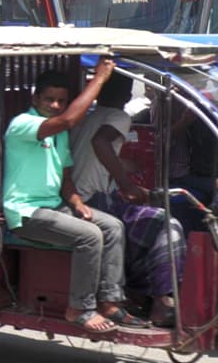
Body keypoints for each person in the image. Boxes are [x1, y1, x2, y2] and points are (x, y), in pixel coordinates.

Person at [3, 60, 149, 333]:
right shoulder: (23, 124)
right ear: (35, 99)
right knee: (90, 236)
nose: (55, 105)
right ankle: (79, 307)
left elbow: (66, 179)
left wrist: (78, 203)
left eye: (61, 101)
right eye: (49, 99)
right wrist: (99, 79)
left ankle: (109, 301)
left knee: (113, 226)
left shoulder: (60, 137)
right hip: (25, 213)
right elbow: (69, 119)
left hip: (55, 207)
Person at [70, 75, 184, 327]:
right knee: (167, 225)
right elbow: (100, 143)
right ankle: (161, 300)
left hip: (82, 198)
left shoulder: (84, 118)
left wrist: (124, 168)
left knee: (145, 221)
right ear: (125, 96)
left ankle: (137, 292)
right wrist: (127, 185)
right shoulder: (119, 117)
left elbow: (93, 152)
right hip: (96, 201)